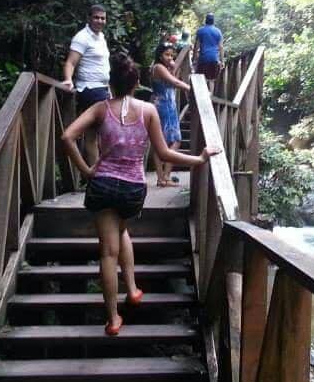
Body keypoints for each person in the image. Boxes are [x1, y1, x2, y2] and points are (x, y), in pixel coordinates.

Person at [61, 53, 220, 336]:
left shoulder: (100, 108)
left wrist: (86, 171)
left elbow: (67, 137)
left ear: (111, 83)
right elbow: (164, 152)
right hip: (133, 187)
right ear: (136, 83)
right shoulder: (148, 110)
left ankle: (113, 319)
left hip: (103, 184)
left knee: (108, 253)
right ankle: (132, 289)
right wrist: (199, 159)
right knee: (121, 231)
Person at [63, 5, 110, 165]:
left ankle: (96, 172)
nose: (100, 21)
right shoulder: (82, 37)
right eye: (96, 17)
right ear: (89, 18)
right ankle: (97, 173)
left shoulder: (101, 37)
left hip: (102, 88)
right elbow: (70, 62)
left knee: (95, 134)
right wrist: (68, 79)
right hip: (90, 89)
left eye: (103, 18)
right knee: (99, 133)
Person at [150, 41, 191, 187]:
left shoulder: (164, 68)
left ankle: (163, 177)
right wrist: (191, 88)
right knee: (173, 140)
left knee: (166, 142)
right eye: (166, 54)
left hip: (169, 106)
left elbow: (173, 79)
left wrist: (173, 67)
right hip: (164, 107)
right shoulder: (158, 67)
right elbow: (176, 83)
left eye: (171, 55)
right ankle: (163, 177)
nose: (169, 57)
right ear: (159, 55)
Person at [192, 13, 224, 84]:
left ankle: (201, 94)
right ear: (213, 21)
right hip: (214, 59)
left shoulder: (200, 31)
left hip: (203, 59)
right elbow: (221, 47)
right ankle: (210, 95)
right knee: (211, 80)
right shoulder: (218, 31)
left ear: (205, 20)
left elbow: (196, 47)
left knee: (200, 79)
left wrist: (194, 59)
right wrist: (222, 61)